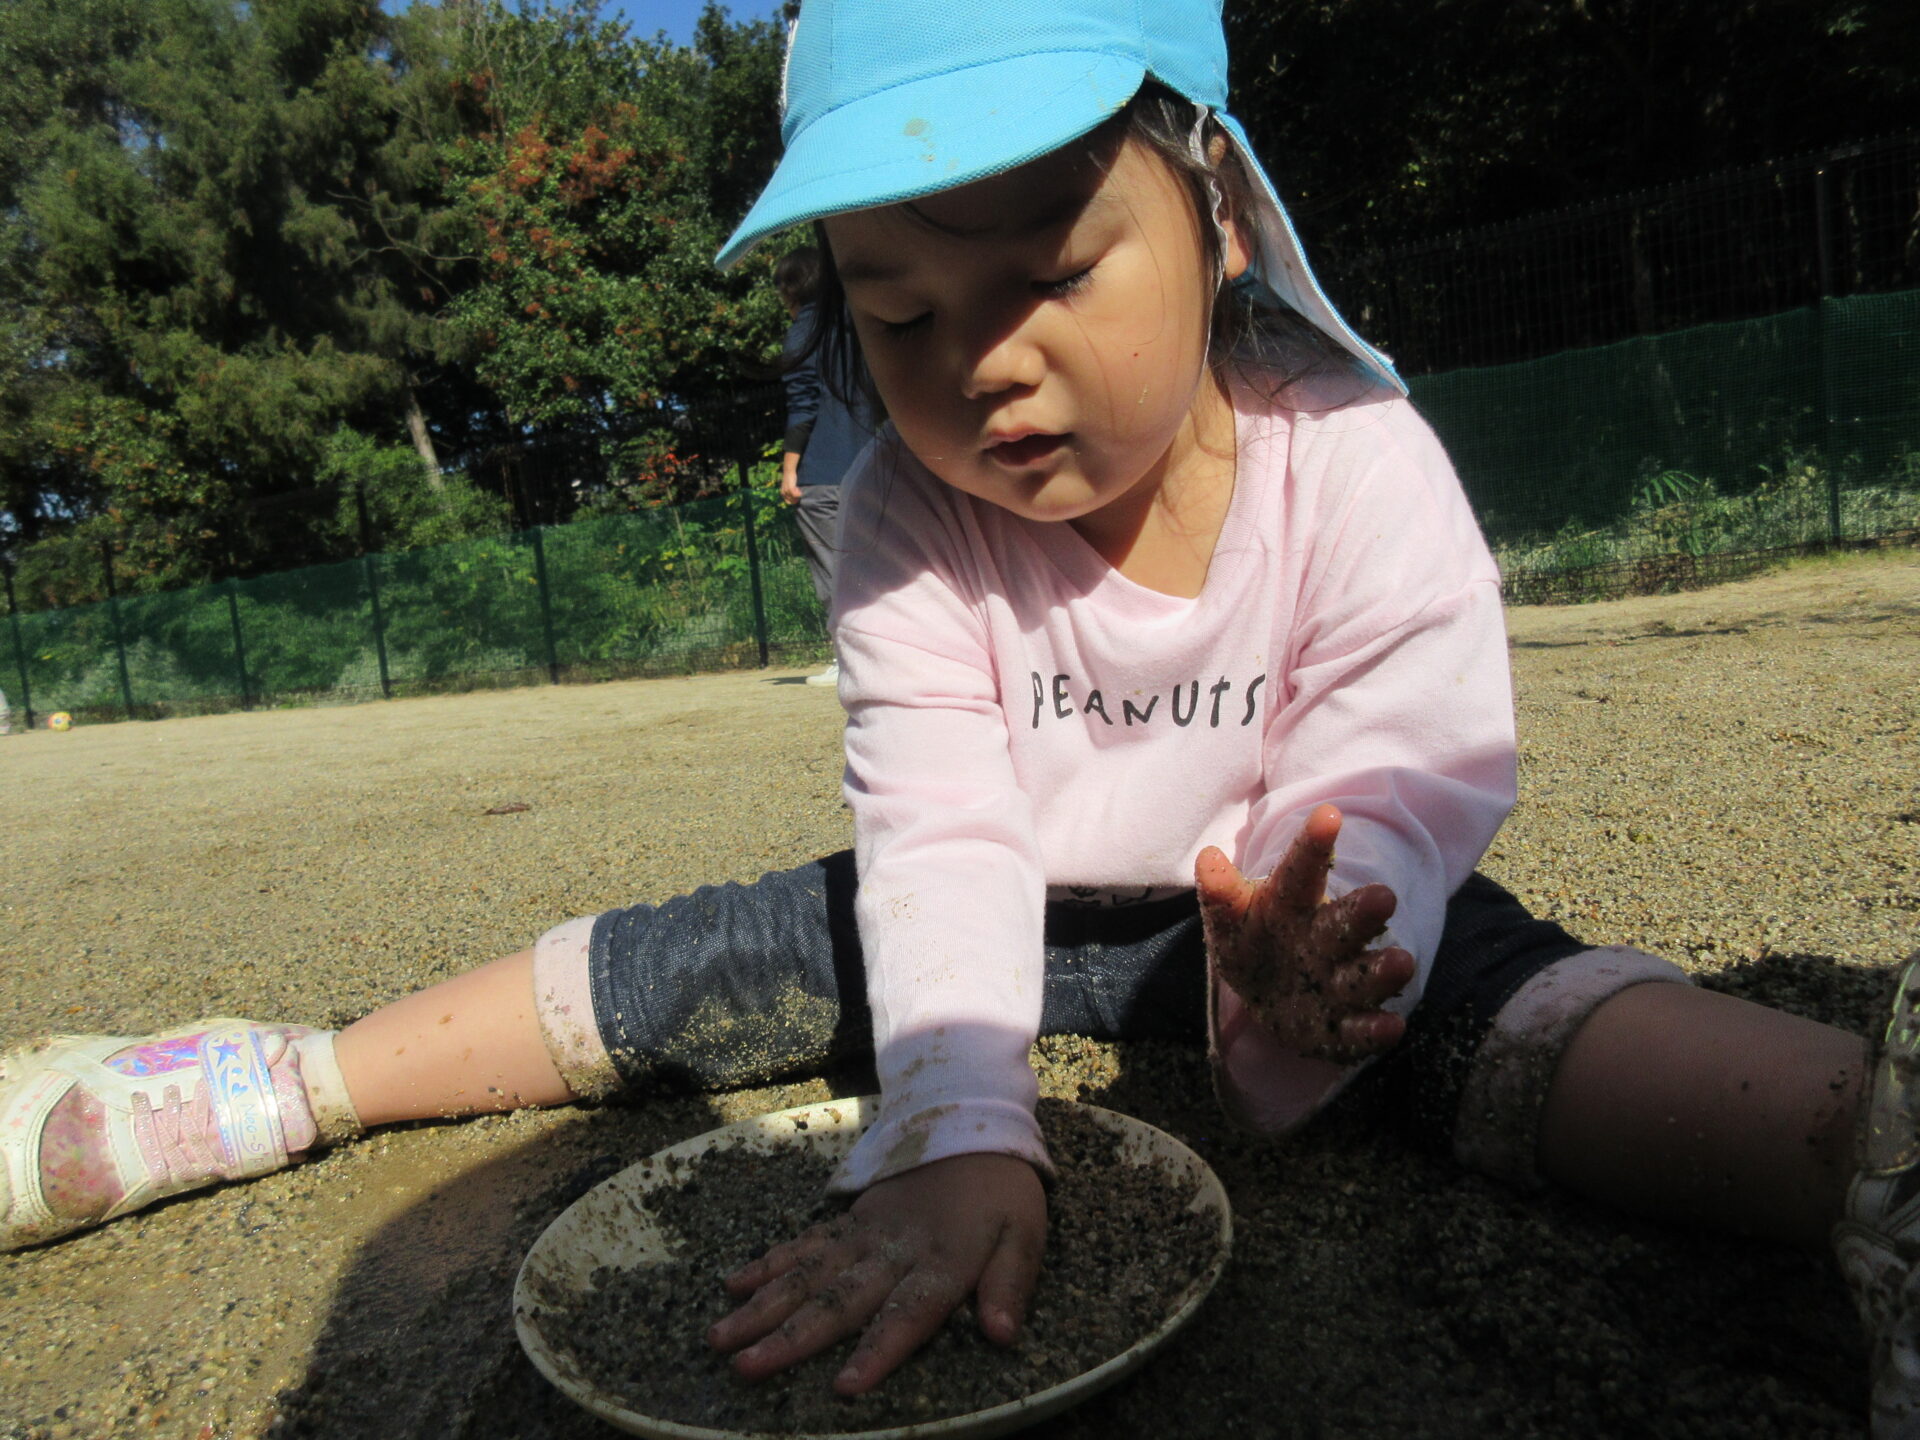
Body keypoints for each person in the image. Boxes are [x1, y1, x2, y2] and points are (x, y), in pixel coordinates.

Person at [2, 1, 1916, 1431]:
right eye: (900, 314)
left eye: (1052, 271)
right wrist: (958, 1122)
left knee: (1506, 1007)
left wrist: (1322, 939)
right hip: (992, 911)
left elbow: (1407, 740)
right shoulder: (908, 524)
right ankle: (288, 1081)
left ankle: (1863, 1151)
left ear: (1218, 214)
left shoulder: (1358, 460)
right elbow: (940, 826)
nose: (984, 361)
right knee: (715, 957)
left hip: (1278, 912)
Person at [775, 245, 877, 687]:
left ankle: (849, 661)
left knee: (835, 571)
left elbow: (804, 406)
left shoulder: (803, 333)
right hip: (877, 463)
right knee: (885, 567)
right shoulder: (864, 322)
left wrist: (789, 470)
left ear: (790, 288)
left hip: (825, 474)